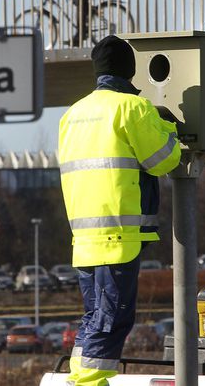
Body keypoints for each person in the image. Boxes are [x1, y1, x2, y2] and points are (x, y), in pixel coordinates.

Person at [58, 35, 181, 385]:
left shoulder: (72, 114)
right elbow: (163, 160)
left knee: (95, 317)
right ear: (130, 71)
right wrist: (168, 127)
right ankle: (87, 383)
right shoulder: (132, 108)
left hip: (84, 238)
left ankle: (80, 378)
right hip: (119, 235)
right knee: (112, 320)